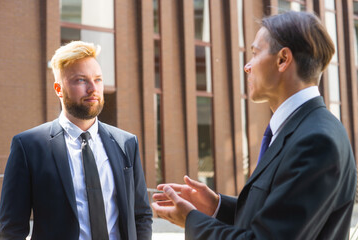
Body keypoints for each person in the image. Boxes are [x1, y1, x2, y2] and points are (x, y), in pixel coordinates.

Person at [152, 11, 356, 239]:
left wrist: (191, 220)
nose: (247, 66)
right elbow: (276, 217)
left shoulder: (317, 140)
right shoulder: (301, 129)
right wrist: (216, 207)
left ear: (282, 60)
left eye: (255, 53)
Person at [0, 41, 152, 240]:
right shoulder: (28, 147)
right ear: (58, 89)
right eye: (81, 80)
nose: (92, 89)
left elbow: (141, 215)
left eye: (97, 79)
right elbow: (12, 229)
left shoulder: (126, 143)